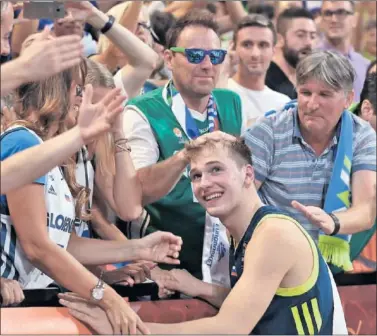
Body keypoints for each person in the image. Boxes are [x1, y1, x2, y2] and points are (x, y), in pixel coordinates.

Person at [59, 137, 348, 335]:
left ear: (248, 174)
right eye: (196, 176)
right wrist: (200, 287)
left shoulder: (273, 233)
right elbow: (255, 304)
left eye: (216, 170)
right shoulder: (249, 231)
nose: (205, 183)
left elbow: (229, 328)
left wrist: (126, 330)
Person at [0, 65, 182, 334]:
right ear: (60, 92)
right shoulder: (22, 142)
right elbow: (36, 247)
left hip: (29, 301)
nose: (82, 100)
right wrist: (105, 297)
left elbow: (62, 243)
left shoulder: (49, 151)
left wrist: (136, 248)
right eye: (79, 90)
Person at [121, 9, 244, 283]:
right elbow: (138, 192)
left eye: (215, 56)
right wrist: (185, 156)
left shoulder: (231, 103)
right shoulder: (142, 111)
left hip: (226, 258)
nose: (207, 65)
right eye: (195, 56)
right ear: (168, 58)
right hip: (163, 262)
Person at [244, 50, 376, 271]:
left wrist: (332, 222)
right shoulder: (267, 132)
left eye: (324, 95)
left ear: (348, 99)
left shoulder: (362, 136)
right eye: (305, 93)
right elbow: (240, 203)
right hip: (268, 259)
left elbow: (366, 211)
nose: (312, 104)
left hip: (328, 266)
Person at [227, 14, 290, 126]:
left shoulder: (283, 104)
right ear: (233, 48)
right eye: (247, 45)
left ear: (273, 51)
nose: (255, 54)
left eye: (263, 45)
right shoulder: (220, 91)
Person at [319, 0, 370, 102]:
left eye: (341, 12)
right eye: (328, 13)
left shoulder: (366, 66)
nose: (333, 19)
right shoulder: (309, 62)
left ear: (354, 19)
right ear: (321, 20)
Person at [265, 7, 317, 99]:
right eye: (300, 35)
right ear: (280, 39)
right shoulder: (265, 79)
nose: (309, 42)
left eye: (312, 36)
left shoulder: (314, 80)